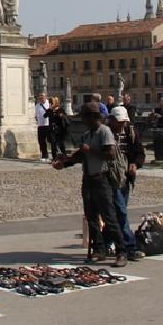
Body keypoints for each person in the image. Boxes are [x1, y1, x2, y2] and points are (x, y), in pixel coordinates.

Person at [52, 104, 128, 267]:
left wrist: (90, 150)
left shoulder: (104, 131)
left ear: (93, 117)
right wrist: (65, 161)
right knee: (91, 217)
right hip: (88, 179)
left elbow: (110, 154)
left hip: (102, 178)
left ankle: (121, 251)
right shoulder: (87, 134)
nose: (83, 120)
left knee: (109, 217)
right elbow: (81, 156)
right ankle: (99, 250)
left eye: (84, 117)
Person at [108, 106, 145, 261]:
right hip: (111, 177)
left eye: (124, 122)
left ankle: (105, 243)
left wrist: (135, 164)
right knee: (121, 212)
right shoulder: (106, 132)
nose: (122, 125)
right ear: (112, 120)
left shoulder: (130, 132)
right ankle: (129, 246)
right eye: (119, 122)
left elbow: (140, 153)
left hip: (125, 178)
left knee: (117, 213)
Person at [35, 91, 52, 161]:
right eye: (40, 96)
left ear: (46, 96)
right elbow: (36, 114)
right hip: (40, 125)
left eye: (42, 96)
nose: (41, 97)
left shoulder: (49, 104)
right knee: (41, 141)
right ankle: (44, 156)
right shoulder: (37, 105)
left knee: (50, 140)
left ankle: (55, 155)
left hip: (48, 125)